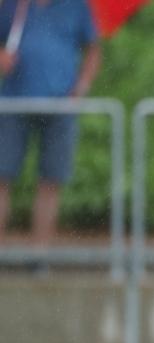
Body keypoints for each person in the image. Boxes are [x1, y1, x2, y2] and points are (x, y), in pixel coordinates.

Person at [0, 0, 101, 246]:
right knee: (2, 177)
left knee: (51, 181)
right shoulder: (9, 6)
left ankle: (40, 254)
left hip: (60, 103)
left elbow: (93, 50)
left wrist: (80, 89)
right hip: (14, 102)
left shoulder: (76, 6)